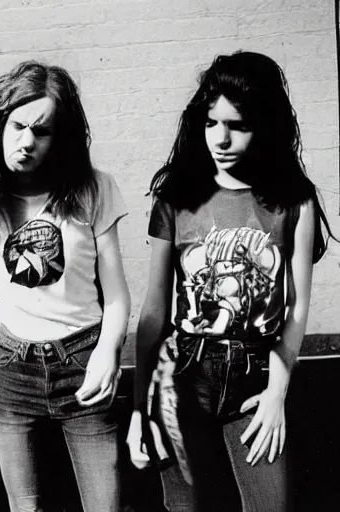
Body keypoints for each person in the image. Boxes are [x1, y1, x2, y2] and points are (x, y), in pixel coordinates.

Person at [127, 51, 335, 512]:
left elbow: (295, 309)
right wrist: (141, 409)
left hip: (257, 373)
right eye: (210, 122)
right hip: (182, 372)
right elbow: (155, 310)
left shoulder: (293, 201)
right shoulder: (176, 196)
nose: (220, 138)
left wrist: (277, 395)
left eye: (237, 125)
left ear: (264, 125)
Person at [0, 61, 131, 512]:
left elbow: (116, 294)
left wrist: (108, 351)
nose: (26, 141)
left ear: (61, 138)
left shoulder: (93, 189)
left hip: (82, 363)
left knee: (105, 506)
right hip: (13, 371)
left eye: (41, 131)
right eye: (17, 126)